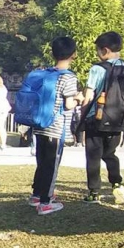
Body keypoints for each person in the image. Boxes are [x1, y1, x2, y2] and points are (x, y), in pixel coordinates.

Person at [80, 31, 124, 204]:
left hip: (96, 119)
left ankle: (94, 192)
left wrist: (82, 117)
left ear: (104, 50)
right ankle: (117, 184)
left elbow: (89, 96)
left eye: (98, 50)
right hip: (118, 120)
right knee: (110, 154)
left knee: (93, 156)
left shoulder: (97, 69)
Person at [29, 36, 81, 215]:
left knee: (42, 162)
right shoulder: (69, 77)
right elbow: (68, 105)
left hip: (39, 125)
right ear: (73, 54)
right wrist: (78, 99)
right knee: (52, 165)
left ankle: (36, 194)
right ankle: (46, 202)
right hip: (56, 127)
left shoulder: (45, 73)